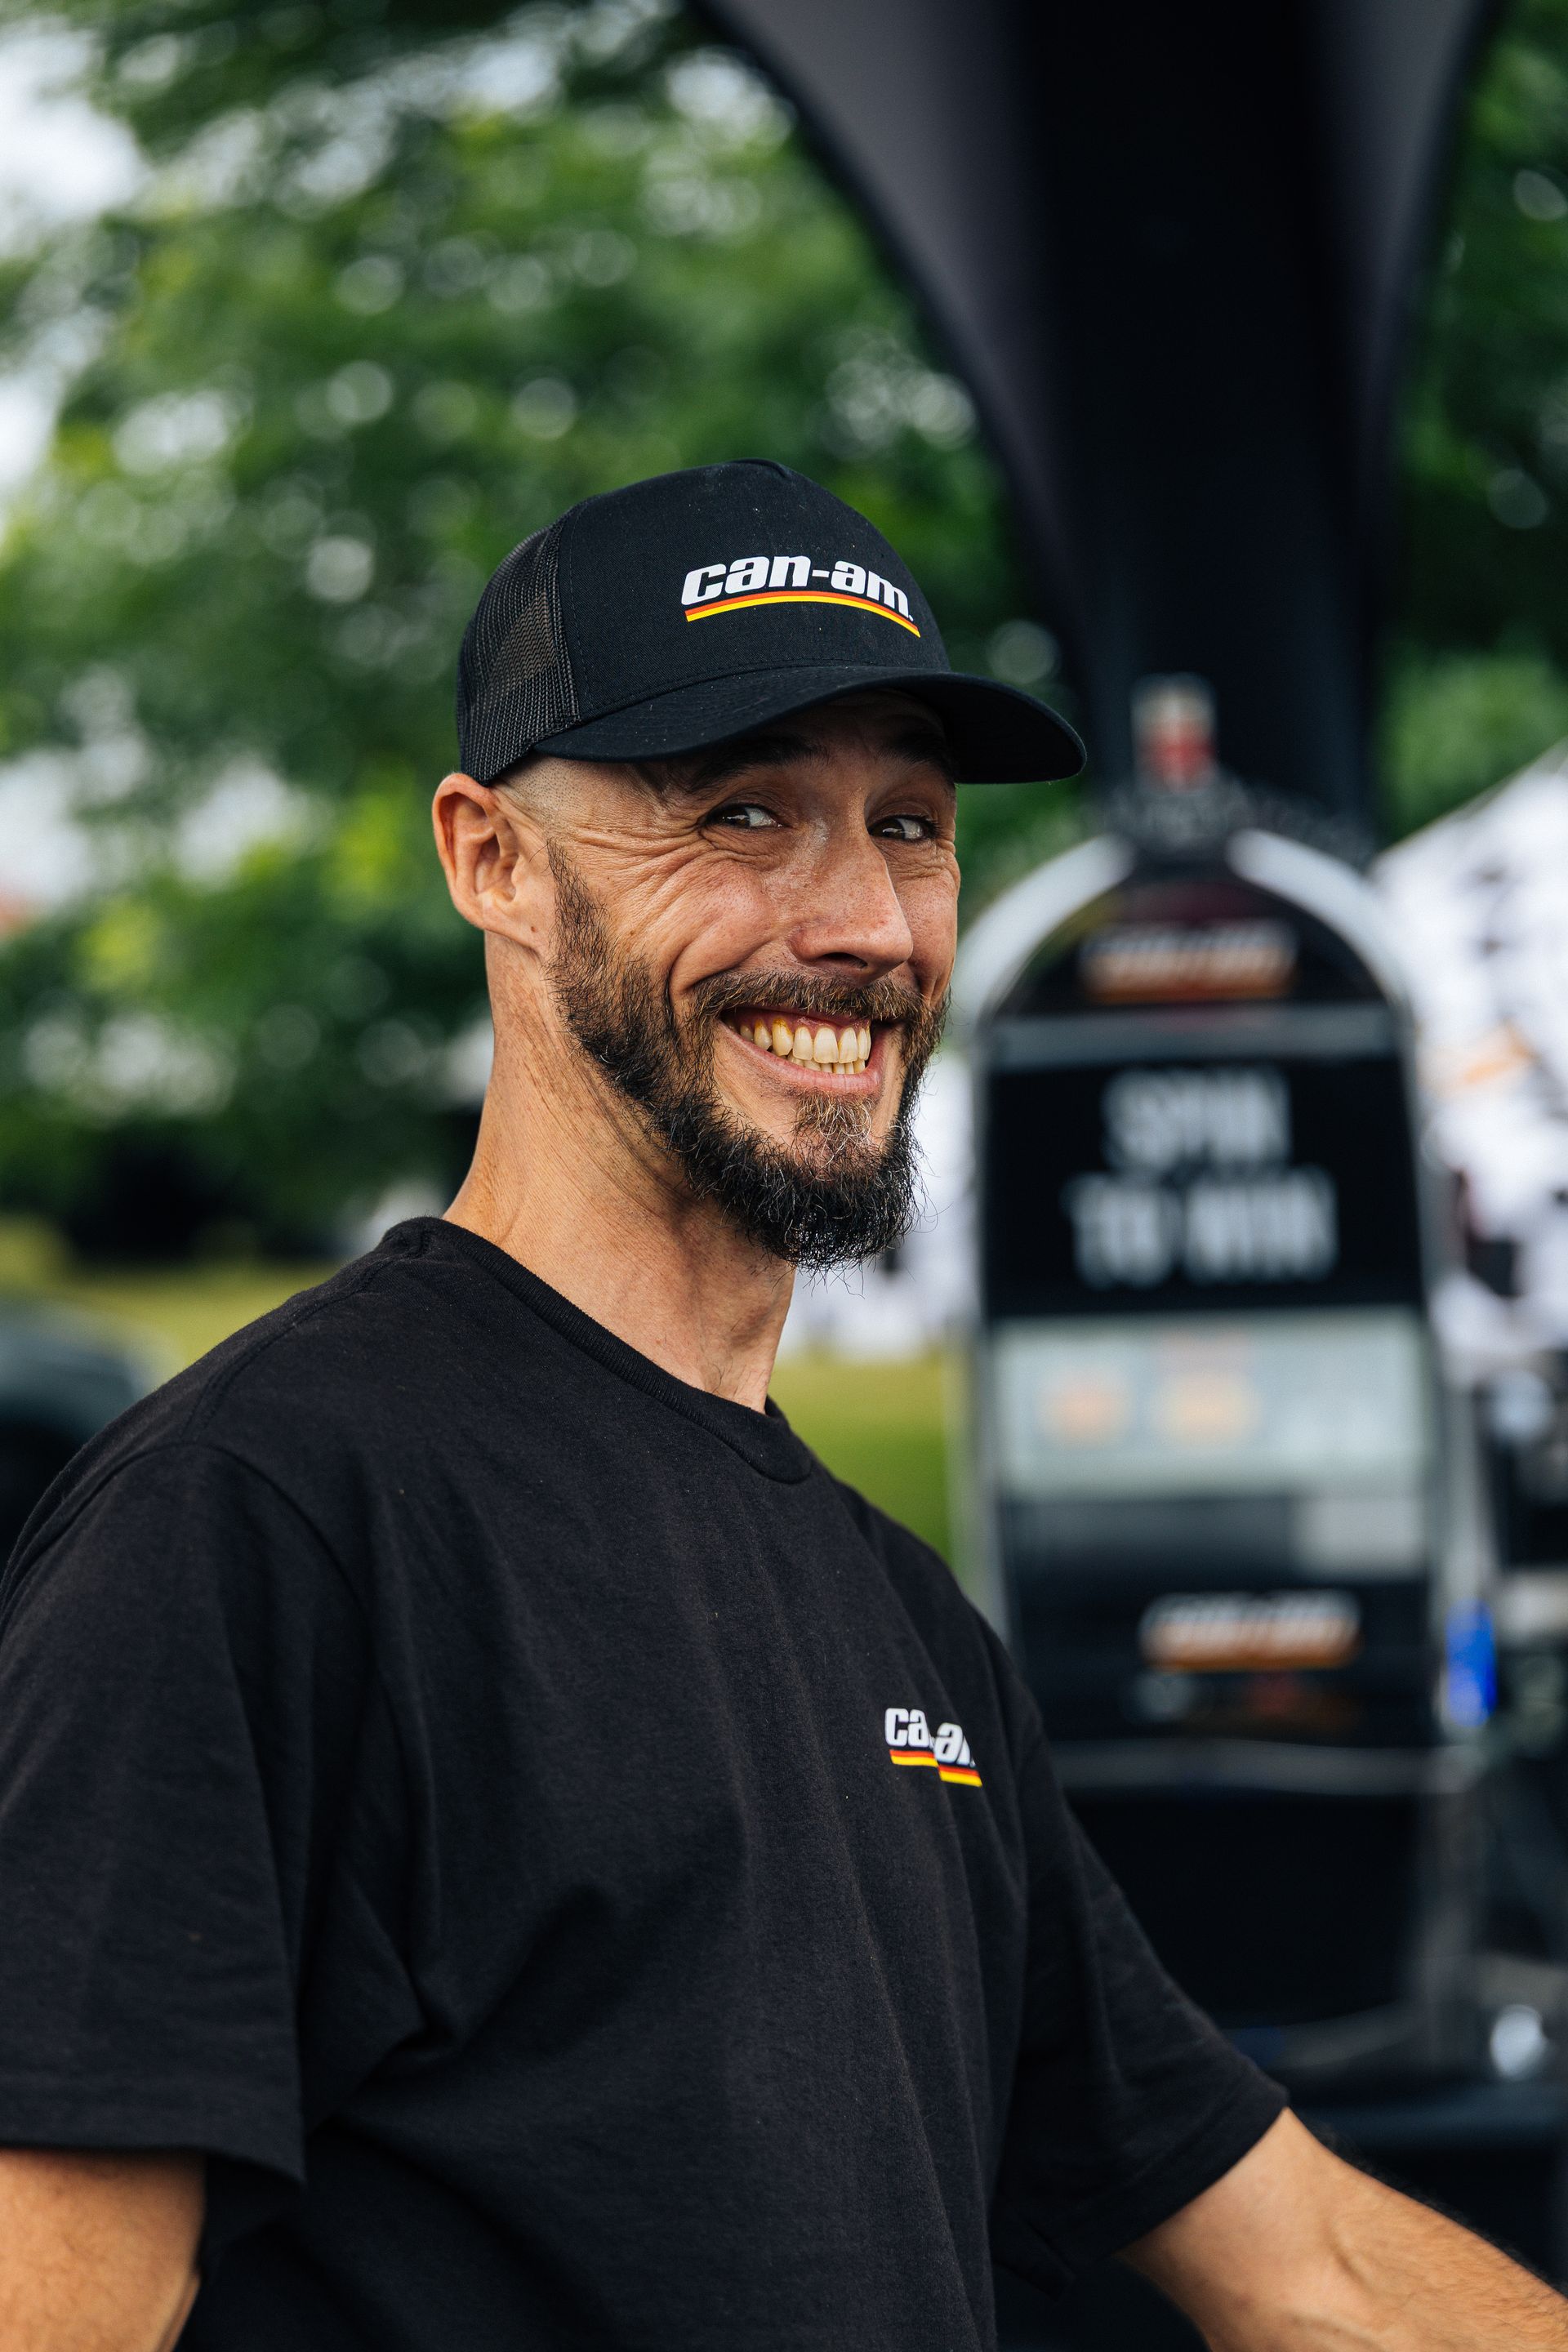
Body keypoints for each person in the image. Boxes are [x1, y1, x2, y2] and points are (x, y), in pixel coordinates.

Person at [0, 461, 1560, 2352]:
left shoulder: (899, 1620)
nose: (864, 925)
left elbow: (1307, 2275)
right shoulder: (264, 1516)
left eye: (909, 824)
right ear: (490, 857)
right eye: (741, 811)